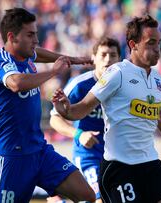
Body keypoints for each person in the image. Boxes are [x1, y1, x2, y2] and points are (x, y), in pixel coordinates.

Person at [52, 14, 161, 203]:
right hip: (120, 167)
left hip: (149, 163)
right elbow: (79, 110)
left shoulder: (157, 79)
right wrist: (65, 108)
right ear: (133, 45)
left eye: (158, 43)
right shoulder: (117, 73)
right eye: (151, 43)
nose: (157, 49)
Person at [0, 8, 96, 203]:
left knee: (87, 195)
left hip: (39, 151)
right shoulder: (0, 62)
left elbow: (39, 54)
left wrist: (72, 60)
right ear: (12, 37)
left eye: (36, 34)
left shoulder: (26, 55)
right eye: (30, 35)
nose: (36, 39)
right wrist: (53, 72)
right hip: (11, 157)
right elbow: (16, 83)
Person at [47, 37, 121, 203]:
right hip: (89, 156)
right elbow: (54, 119)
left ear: (119, 60)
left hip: (117, 157)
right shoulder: (80, 85)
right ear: (93, 58)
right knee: (100, 200)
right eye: (103, 55)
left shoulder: (123, 86)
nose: (108, 60)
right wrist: (79, 134)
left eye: (113, 55)